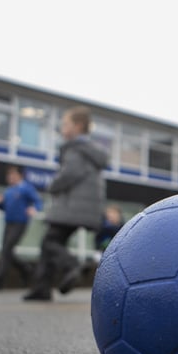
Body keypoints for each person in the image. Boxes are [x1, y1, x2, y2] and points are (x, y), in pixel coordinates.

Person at [23, 105, 109, 301]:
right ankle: (42, 288)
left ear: (77, 127)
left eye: (65, 124)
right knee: (52, 243)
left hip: (71, 206)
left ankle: (71, 265)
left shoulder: (76, 149)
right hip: (84, 207)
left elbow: (69, 174)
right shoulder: (91, 151)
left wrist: (52, 186)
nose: (62, 128)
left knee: (49, 242)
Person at [0, 165, 42, 290]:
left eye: (12, 175)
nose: (10, 177)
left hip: (20, 223)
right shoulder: (8, 191)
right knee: (6, 251)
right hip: (8, 223)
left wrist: (34, 208)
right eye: (9, 175)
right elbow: (3, 207)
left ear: (20, 175)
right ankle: (25, 269)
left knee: (7, 249)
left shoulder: (26, 188)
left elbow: (38, 201)